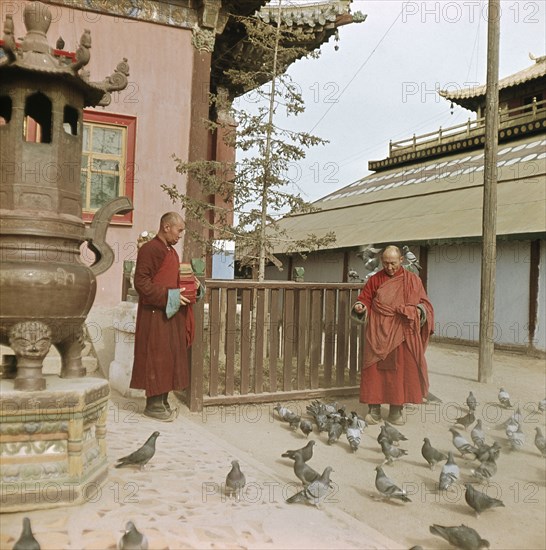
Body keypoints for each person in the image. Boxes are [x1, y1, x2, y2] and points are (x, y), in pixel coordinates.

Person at [130, 212, 203, 421]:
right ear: (167, 227)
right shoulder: (151, 249)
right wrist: (167, 296)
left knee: (167, 358)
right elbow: (141, 283)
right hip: (155, 314)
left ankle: (162, 401)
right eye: (179, 230)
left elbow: (174, 279)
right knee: (157, 357)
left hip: (170, 314)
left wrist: (193, 287)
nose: (180, 235)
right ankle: (153, 405)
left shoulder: (170, 251)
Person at [351, 245, 434, 425]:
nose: (389, 267)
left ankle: (396, 411)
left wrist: (417, 311)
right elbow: (364, 298)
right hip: (378, 332)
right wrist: (360, 306)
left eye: (393, 263)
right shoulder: (375, 280)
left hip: (402, 333)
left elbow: (425, 304)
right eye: (386, 263)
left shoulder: (413, 280)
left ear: (401, 261)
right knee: (374, 372)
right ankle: (374, 411)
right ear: (381, 262)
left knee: (400, 372)